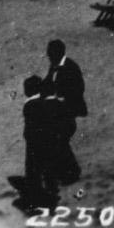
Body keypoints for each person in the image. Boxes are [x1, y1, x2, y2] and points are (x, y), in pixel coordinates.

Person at [41, 40, 87, 185]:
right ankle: (68, 171)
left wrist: (62, 99)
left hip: (67, 112)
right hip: (58, 112)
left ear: (57, 53)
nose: (48, 56)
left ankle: (70, 172)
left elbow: (78, 88)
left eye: (50, 53)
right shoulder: (55, 66)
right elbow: (48, 83)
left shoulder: (70, 67)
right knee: (59, 141)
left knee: (59, 140)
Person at [17, 75, 59, 212]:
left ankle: (36, 197)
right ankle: (52, 192)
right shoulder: (43, 103)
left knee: (33, 170)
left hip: (34, 143)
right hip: (47, 141)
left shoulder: (29, 105)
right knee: (48, 169)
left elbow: (29, 127)